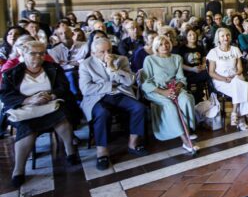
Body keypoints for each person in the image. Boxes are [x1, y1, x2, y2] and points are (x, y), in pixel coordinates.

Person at [0, 41, 80, 188]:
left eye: (41, 53)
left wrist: (51, 95)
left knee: (61, 119)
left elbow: (64, 88)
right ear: (22, 54)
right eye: (33, 53)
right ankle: (19, 169)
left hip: (50, 104)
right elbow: (5, 96)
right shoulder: (12, 73)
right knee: (27, 128)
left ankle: (70, 151)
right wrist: (27, 100)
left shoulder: (53, 68)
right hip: (26, 109)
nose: (38, 56)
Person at [79, 38, 148, 170]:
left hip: (120, 93)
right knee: (102, 113)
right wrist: (110, 85)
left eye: (109, 50)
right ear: (93, 53)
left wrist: (113, 68)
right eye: (102, 52)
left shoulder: (121, 59)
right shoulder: (86, 64)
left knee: (139, 108)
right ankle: (102, 151)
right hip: (97, 97)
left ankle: (133, 144)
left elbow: (129, 82)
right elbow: (86, 89)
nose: (107, 54)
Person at [140, 35, 198, 153]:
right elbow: (146, 82)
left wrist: (177, 88)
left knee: (186, 99)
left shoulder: (177, 58)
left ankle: (187, 128)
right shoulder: (150, 59)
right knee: (170, 105)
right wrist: (164, 92)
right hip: (156, 90)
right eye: (161, 44)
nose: (164, 46)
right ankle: (185, 139)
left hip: (174, 88)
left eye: (166, 43)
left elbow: (181, 78)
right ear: (156, 46)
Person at [207, 28, 248, 131]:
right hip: (220, 81)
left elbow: (240, 69)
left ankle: (234, 112)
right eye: (222, 36)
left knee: (238, 82)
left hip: (234, 78)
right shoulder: (213, 52)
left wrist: (234, 76)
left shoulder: (235, 49)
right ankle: (240, 120)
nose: (225, 38)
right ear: (218, 38)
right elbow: (211, 72)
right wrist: (224, 79)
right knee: (242, 87)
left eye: (227, 35)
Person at [178, 29, 208, 102]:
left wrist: (203, 66)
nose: (192, 36)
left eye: (194, 34)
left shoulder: (200, 47)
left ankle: (207, 98)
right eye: (190, 35)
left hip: (200, 70)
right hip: (188, 71)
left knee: (208, 74)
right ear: (186, 37)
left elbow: (204, 60)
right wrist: (192, 69)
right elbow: (180, 64)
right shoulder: (182, 48)